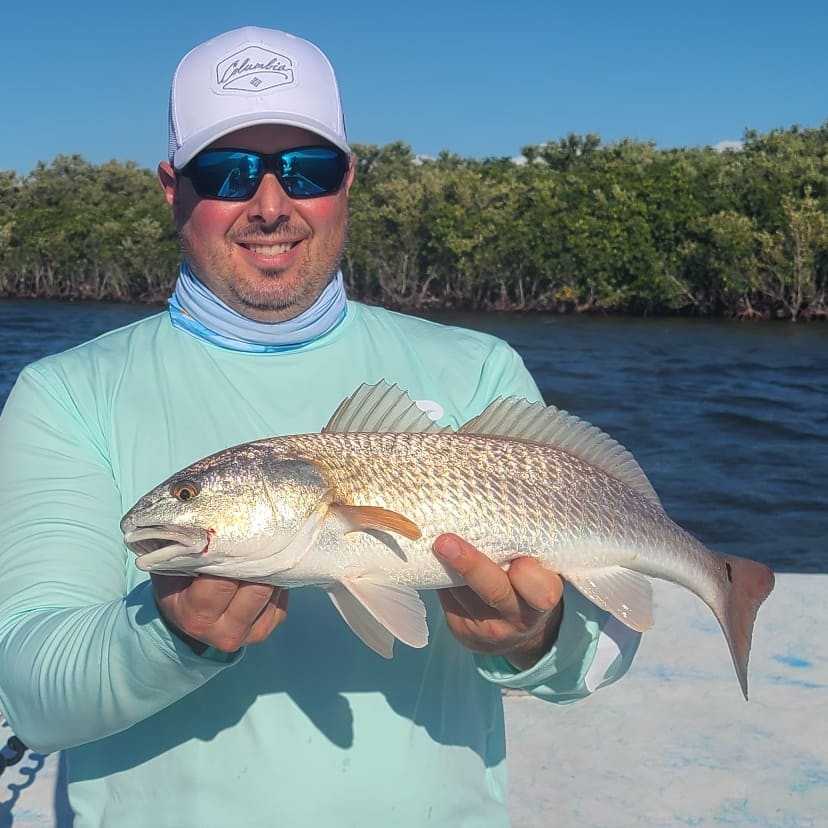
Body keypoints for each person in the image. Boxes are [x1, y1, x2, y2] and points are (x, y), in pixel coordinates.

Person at [0, 26, 639, 827]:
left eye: (306, 169)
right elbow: (30, 694)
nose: (271, 205)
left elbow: (603, 651)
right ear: (172, 187)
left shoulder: (479, 370)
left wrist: (535, 636)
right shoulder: (65, 394)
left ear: (348, 179)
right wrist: (170, 637)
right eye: (229, 171)